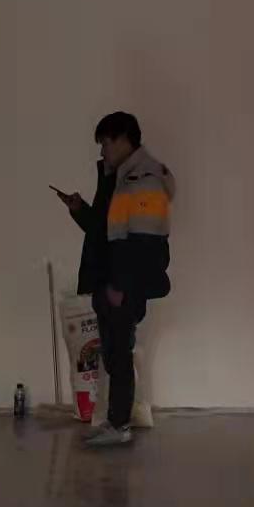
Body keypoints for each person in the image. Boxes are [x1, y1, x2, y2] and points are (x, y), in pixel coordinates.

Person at [54, 111, 174, 448]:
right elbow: (104, 231)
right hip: (109, 282)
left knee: (119, 355)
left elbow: (144, 241)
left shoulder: (144, 180)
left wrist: (121, 285)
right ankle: (115, 422)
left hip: (122, 285)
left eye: (106, 143)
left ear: (123, 139)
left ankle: (119, 426)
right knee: (113, 355)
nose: (102, 150)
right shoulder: (119, 177)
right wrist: (79, 209)